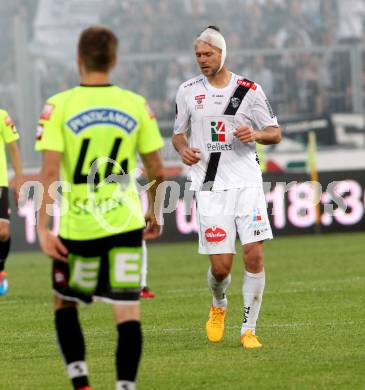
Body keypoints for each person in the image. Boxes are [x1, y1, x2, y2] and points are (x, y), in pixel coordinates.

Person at [35, 26, 164, 390]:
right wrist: (154, 209)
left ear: (78, 59)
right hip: (124, 225)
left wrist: (42, 229)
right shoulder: (136, 104)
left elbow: (47, 172)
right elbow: (156, 167)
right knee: (127, 312)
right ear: (114, 60)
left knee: (65, 305)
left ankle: (82, 384)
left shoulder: (58, 106)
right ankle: (125, 386)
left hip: (78, 229)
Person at [172, 26, 281, 349]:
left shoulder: (249, 90)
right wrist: (182, 149)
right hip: (209, 186)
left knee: (254, 256)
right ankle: (218, 305)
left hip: (247, 183)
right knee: (221, 268)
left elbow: (274, 132)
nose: (202, 60)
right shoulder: (188, 90)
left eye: (208, 54)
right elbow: (178, 133)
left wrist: (256, 135)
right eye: (198, 55)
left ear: (222, 53)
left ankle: (248, 329)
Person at [0, 110, 22, 295]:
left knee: (3, 232)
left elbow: (13, 148)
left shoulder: (2, 116)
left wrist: (19, 179)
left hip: (0, 182)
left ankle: (0, 270)